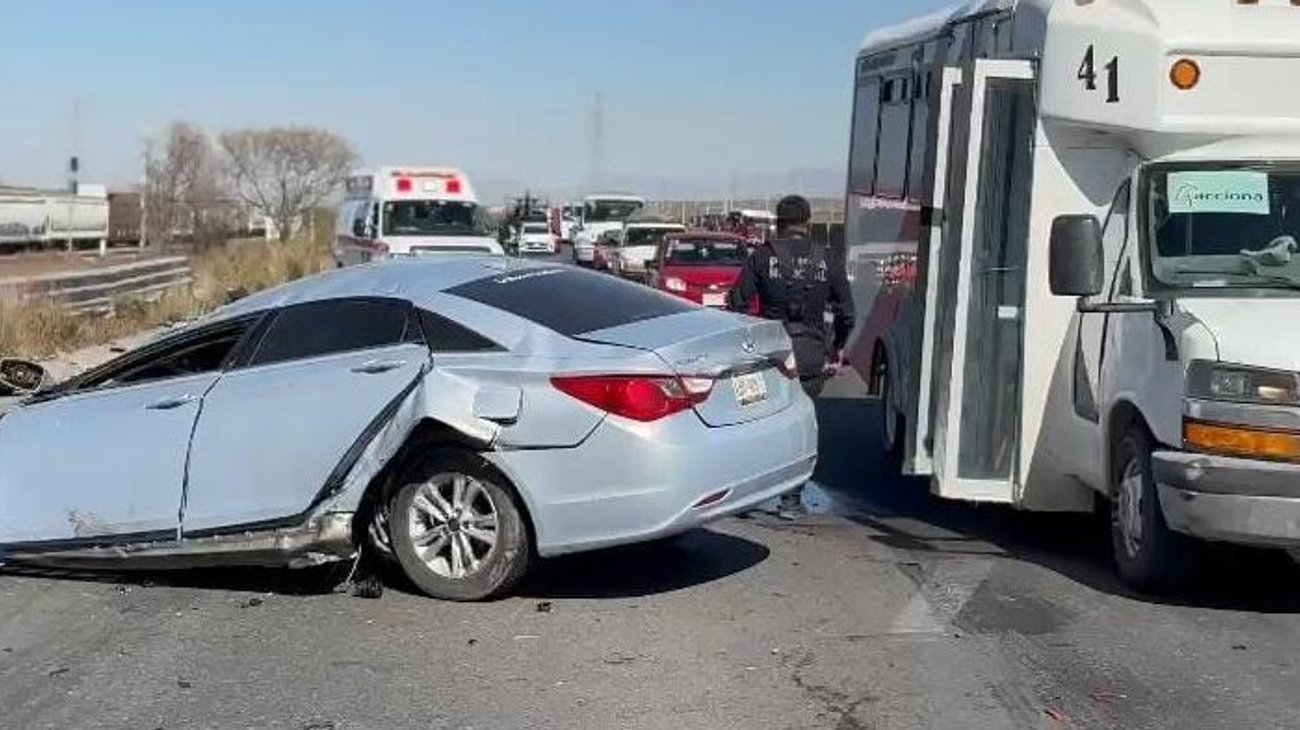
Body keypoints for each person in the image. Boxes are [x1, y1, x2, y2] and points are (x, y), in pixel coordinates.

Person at [728, 195, 855, 519]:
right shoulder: (827, 258)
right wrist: (836, 346)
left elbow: (736, 304)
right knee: (800, 425)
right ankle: (791, 500)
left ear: (778, 224)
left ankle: (750, 494)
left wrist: (750, 344)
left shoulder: (761, 257)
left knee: (760, 422)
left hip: (771, 354)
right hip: (811, 354)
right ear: (808, 223)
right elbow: (847, 314)